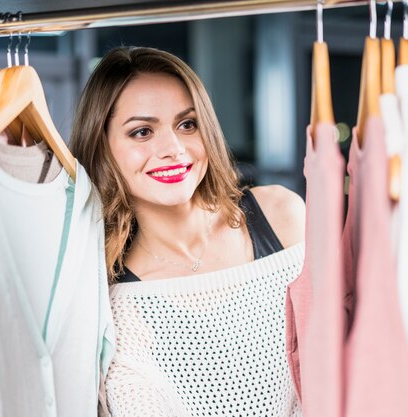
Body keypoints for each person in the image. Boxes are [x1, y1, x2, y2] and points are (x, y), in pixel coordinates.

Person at [70, 46, 306, 416]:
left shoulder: (282, 217)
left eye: (187, 124)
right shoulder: (106, 293)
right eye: (142, 132)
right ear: (103, 148)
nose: (173, 149)